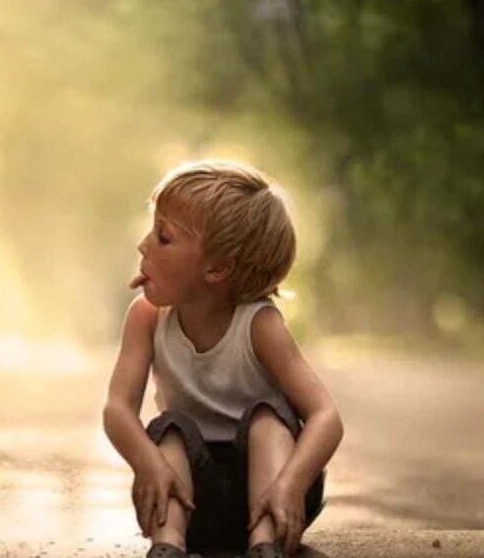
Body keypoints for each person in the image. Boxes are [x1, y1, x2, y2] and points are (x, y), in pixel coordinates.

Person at [103, 160, 343, 558]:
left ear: (216, 268)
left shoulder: (259, 325)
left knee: (270, 416)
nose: (144, 245)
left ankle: (264, 545)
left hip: (274, 494)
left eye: (163, 237)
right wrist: (149, 463)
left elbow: (325, 417)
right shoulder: (146, 318)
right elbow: (117, 409)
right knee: (170, 429)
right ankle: (170, 543)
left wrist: (290, 484)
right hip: (192, 496)